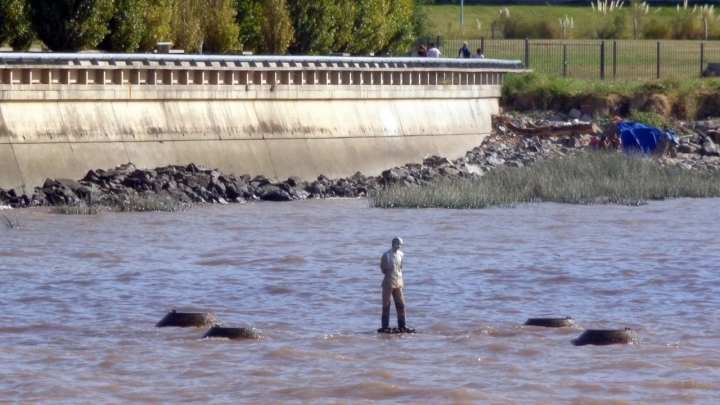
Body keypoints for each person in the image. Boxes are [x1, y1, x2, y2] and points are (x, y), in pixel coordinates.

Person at [379, 237, 411, 332]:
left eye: (400, 245)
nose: (399, 247)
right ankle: (385, 326)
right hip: (388, 283)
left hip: (399, 283)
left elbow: (401, 267)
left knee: (401, 305)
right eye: (398, 244)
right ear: (394, 244)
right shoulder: (386, 255)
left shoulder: (401, 254)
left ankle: (402, 325)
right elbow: (383, 270)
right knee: (386, 305)